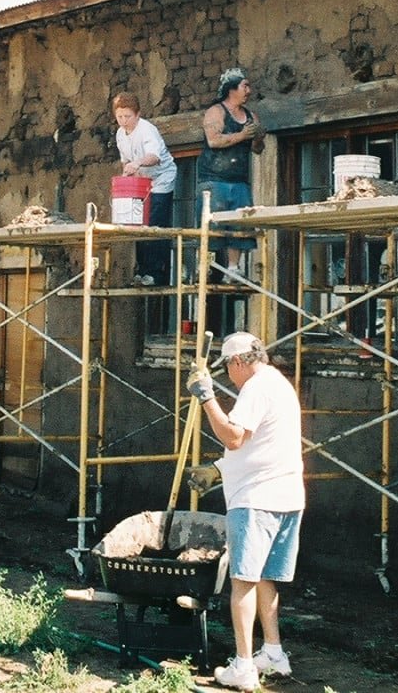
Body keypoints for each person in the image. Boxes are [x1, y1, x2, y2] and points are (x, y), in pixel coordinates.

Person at [187, 332, 305, 691]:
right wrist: (219, 469)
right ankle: (273, 653)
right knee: (265, 577)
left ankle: (243, 667)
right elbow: (262, 447)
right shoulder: (278, 384)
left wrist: (206, 396)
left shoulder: (256, 388)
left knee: (242, 582)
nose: (229, 375)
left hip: (257, 500)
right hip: (286, 496)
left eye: (228, 368)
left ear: (238, 362)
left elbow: (234, 437)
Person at [197, 68, 265, 280]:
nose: (248, 91)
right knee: (212, 226)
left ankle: (233, 268)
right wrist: (242, 135)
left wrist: (257, 138)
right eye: (245, 86)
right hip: (214, 179)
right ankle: (206, 267)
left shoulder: (251, 116)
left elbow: (257, 149)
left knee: (239, 224)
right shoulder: (216, 112)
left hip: (239, 179)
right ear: (231, 88)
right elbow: (214, 141)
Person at [113, 92, 178, 286]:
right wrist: (129, 174)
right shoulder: (120, 134)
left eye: (127, 116)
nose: (124, 121)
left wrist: (138, 163)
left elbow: (154, 157)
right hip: (141, 182)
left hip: (161, 178)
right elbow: (125, 160)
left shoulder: (147, 130)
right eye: (119, 116)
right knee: (138, 223)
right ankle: (142, 270)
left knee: (155, 222)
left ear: (137, 114)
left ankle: (156, 273)